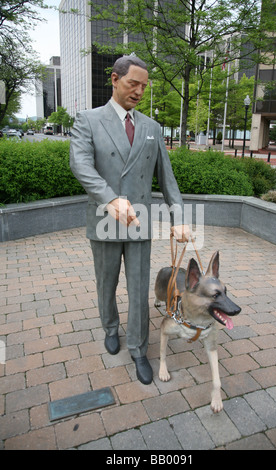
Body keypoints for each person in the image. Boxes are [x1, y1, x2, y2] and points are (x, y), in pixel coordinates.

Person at [70, 55, 189, 384]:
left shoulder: (151, 128)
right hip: (104, 218)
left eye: (143, 86)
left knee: (138, 289)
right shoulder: (88, 120)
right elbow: (80, 165)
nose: (138, 91)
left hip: (139, 222)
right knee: (106, 284)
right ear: (114, 79)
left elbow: (167, 179)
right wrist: (109, 198)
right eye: (132, 83)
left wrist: (178, 216)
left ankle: (138, 348)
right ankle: (110, 328)